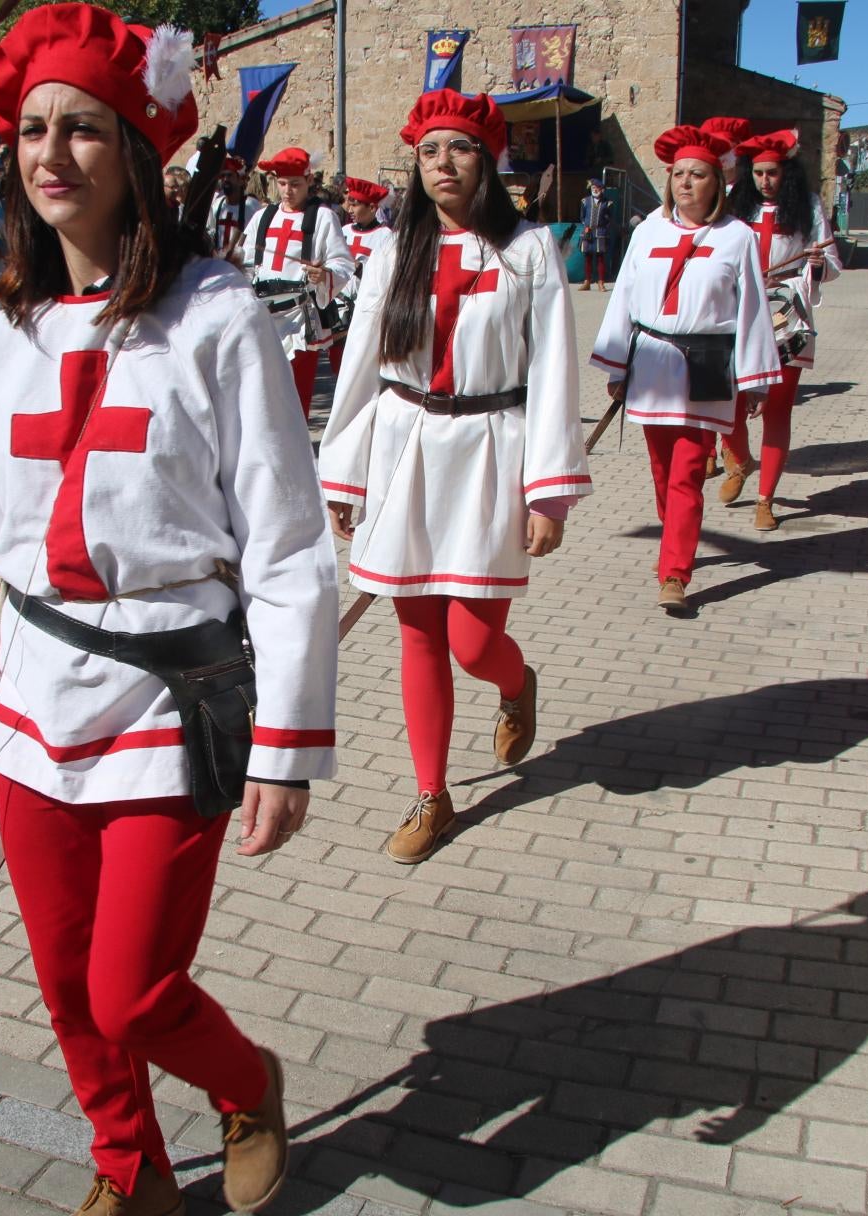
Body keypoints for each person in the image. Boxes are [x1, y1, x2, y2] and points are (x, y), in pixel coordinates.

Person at [0, 6, 336, 1214]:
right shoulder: (4, 334)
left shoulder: (219, 319)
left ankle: (245, 1081)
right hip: (34, 694)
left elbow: (289, 546)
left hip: (172, 694)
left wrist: (287, 744)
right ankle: (128, 1169)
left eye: (83, 127)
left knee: (131, 985)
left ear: (136, 149)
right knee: (66, 980)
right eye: (32, 129)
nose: (50, 154)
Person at [317, 88, 590, 863]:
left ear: (488, 158)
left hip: (491, 447)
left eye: (462, 148)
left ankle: (514, 682)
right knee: (416, 629)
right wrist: (344, 474)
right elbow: (361, 370)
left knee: (473, 641)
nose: (445, 164)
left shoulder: (530, 250)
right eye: (431, 150)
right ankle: (432, 795)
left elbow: (554, 374)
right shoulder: (390, 249)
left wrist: (549, 491)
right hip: (405, 446)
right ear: (416, 162)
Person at [591, 125, 780, 614]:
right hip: (653, 363)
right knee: (660, 470)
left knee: (688, 472)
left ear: (717, 181)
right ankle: (675, 541)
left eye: (697, 175)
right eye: (678, 175)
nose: (686, 184)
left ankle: (675, 571)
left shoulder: (736, 237)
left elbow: (753, 309)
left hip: (708, 365)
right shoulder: (648, 230)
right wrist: (616, 361)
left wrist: (755, 379)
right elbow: (625, 296)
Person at [719, 129, 840, 532]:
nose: (764, 181)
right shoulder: (735, 203)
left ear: (785, 172)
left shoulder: (807, 207)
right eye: (758, 173)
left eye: (772, 173)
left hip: (787, 314)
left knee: (778, 408)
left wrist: (818, 267)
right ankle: (737, 460)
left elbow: (830, 260)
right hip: (739, 312)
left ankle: (766, 498)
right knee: (729, 403)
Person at [241, 146, 354, 418]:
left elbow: (343, 263)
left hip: (300, 322)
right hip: (263, 317)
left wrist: (324, 274)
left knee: (295, 400)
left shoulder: (323, 217)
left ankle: (294, 456)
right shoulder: (262, 217)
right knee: (260, 396)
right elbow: (244, 260)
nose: (287, 191)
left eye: (295, 184)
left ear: (308, 182)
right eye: (282, 184)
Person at [327, 176, 391, 374]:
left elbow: (387, 275)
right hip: (338, 307)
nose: (350, 210)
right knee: (338, 365)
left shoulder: (386, 235)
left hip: (366, 309)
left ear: (372, 208)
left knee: (362, 367)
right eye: (349, 204)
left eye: (355, 205)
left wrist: (361, 269)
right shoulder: (343, 231)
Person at [205, 155, 259, 262]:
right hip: (218, 261)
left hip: (242, 265)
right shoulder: (217, 204)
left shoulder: (252, 206)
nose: (225, 179)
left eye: (230, 175)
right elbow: (211, 230)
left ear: (240, 180)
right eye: (223, 176)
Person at [577, 177, 614, 289]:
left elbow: (609, 218)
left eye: (597, 188)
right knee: (587, 257)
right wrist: (586, 226)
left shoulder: (607, 203)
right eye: (593, 187)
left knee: (600, 258)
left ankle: (601, 282)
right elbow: (582, 216)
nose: (594, 189)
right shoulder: (585, 201)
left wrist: (603, 228)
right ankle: (587, 282)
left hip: (600, 233)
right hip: (587, 232)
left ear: (601, 189)